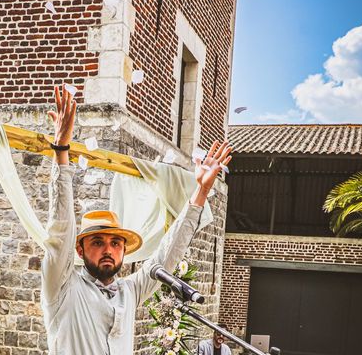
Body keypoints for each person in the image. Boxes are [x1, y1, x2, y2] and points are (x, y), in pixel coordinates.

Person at [41, 85, 233, 354]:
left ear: (124, 250)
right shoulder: (62, 286)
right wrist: (61, 150)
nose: (109, 249)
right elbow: (60, 230)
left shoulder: (129, 291)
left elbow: (166, 256)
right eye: (98, 242)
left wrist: (200, 192)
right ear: (80, 249)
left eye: (116, 243)